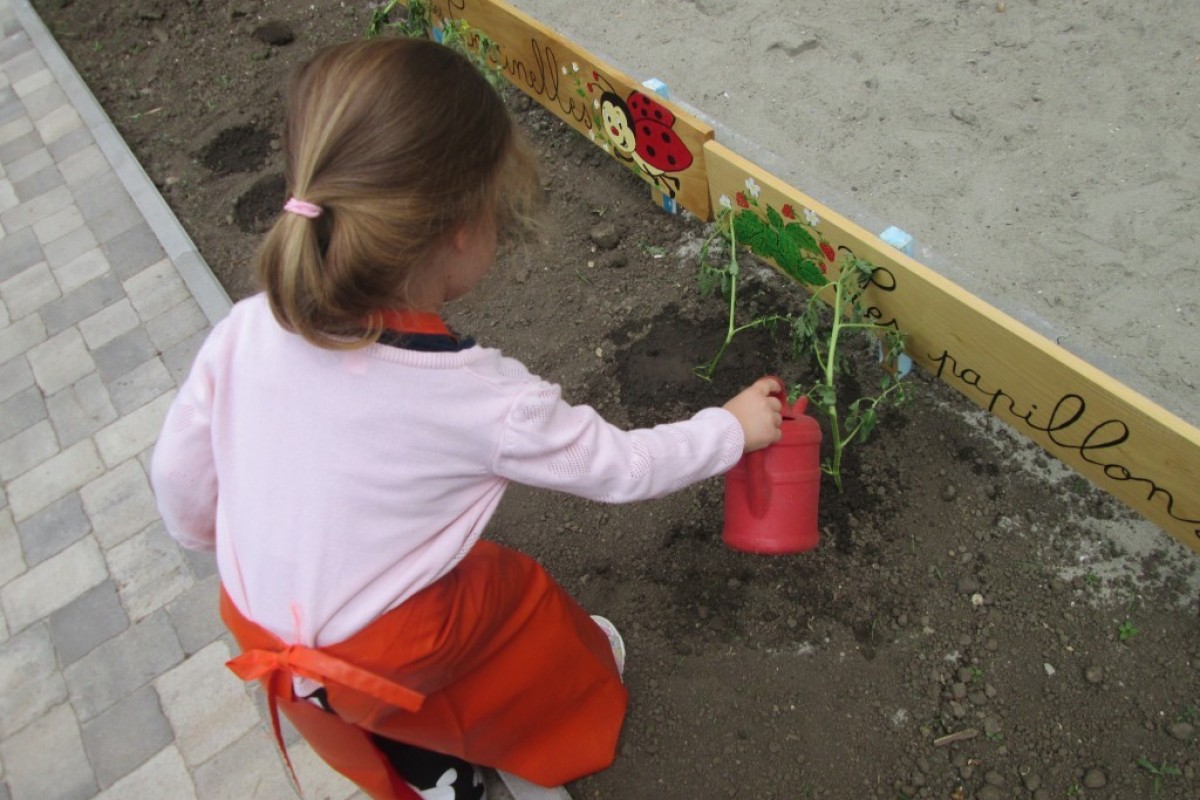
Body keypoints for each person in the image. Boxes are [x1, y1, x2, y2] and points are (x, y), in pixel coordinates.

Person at [151, 37, 782, 800]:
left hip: (258, 621)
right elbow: (622, 469)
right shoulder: (480, 400)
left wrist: (229, 541)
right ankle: (542, 734)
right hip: (382, 647)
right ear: (461, 226)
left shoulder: (247, 325)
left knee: (358, 697)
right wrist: (732, 427)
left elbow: (180, 482)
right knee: (519, 615)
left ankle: (427, 770)